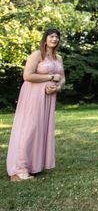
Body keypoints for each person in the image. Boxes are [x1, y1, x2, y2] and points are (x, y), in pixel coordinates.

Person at [6, 29, 65, 181]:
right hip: (33, 96)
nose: (54, 39)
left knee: (41, 129)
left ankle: (34, 165)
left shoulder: (58, 57)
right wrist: (51, 77)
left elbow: (62, 78)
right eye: (51, 36)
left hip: (49, 97)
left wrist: (58, 87)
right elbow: (27, 76)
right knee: (29, 129)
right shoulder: (37, 55)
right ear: (45, 39)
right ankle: (19, 170)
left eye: (57, 37)